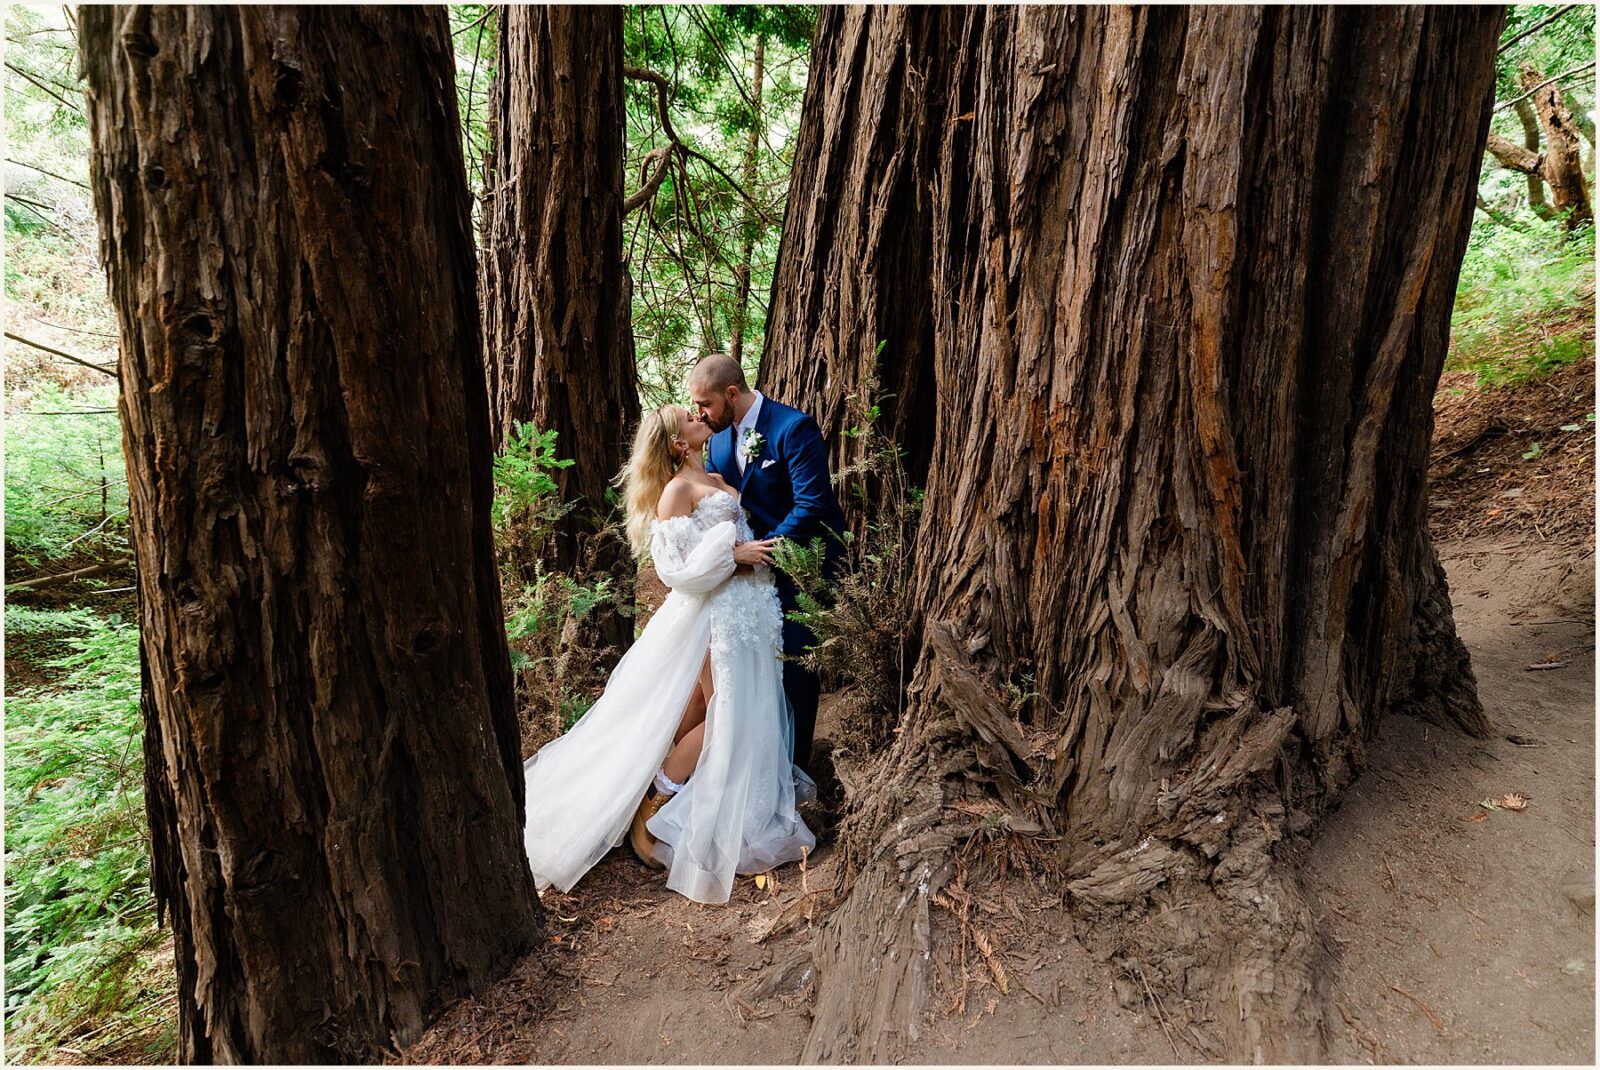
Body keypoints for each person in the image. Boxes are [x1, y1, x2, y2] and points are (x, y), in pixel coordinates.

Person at [520, 403, 814, 905]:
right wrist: (733, 554)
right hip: (716, 615)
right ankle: (653, 808)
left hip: (753, 612)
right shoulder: (677, 490)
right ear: (679, 443)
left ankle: (703, 799)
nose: (702, 418)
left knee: (718, 709)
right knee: (726, 714)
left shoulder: (719, 473)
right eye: (692, 419)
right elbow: (674, 569)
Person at [688, 353, 847, 777]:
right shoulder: (718, 442)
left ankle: (793, 775)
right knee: (752, 675)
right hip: (748, 581)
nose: (699, 413)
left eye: (705, 404)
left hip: (801, 567)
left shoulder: (793, 428)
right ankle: (754, 772)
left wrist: (764, 552)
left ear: (732, 393)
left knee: (795, 669)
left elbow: (812, 504)